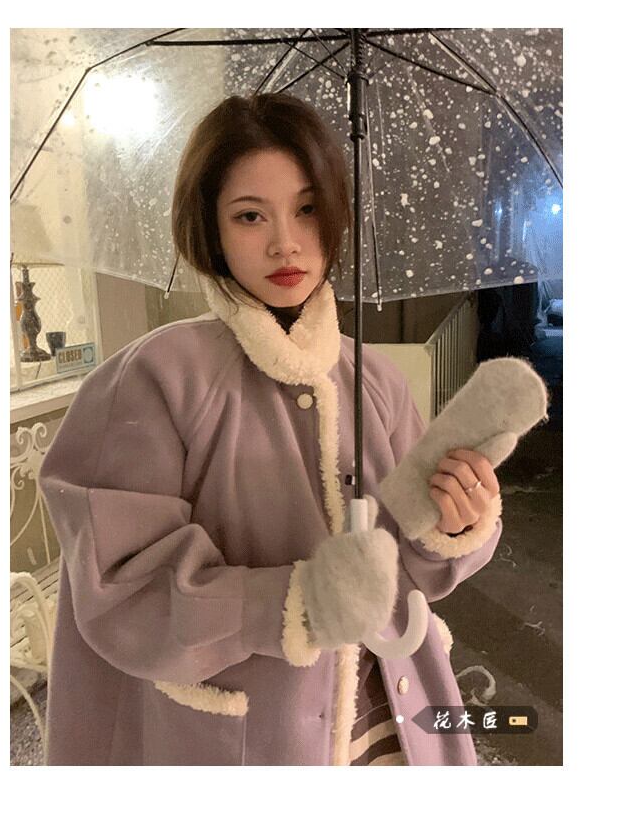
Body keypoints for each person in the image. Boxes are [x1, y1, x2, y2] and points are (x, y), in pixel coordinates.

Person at [38, 92, 504, 766]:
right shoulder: (152, 381)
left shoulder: (374, 379)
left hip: (395, 721)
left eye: (307, 209)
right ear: (212, 229)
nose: (285, 242)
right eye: (250, 215)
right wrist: (299, 602)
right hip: (254, 738)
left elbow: (409, 569)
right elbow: (124, 594)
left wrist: (455, 524)